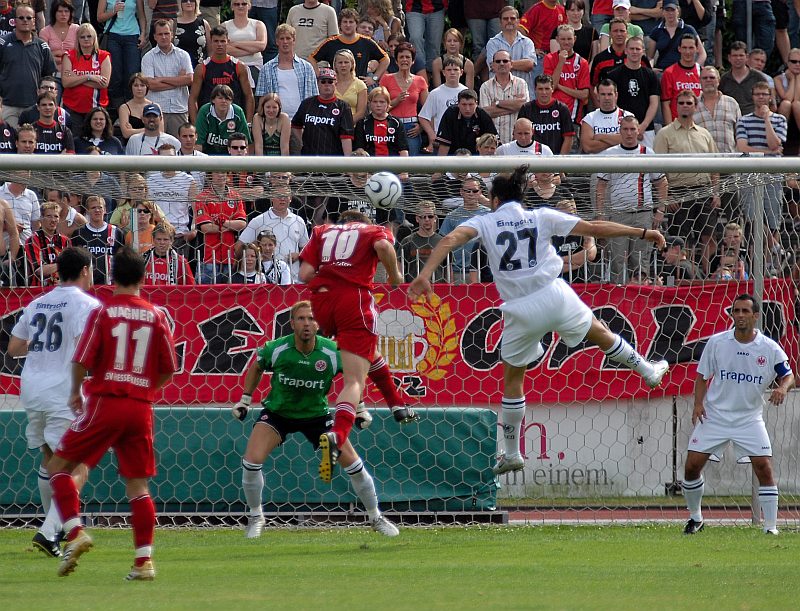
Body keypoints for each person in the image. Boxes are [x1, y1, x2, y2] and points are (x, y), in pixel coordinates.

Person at [408, 166, 670, 476]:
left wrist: (425, 275)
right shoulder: (540, 216)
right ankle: (647, 370)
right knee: (600, 333)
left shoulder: (485, 221)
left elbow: (451, 238)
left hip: (521, 309)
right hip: (555, 294)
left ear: (494, 201)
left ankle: (512, 453)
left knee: (513, 379)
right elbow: (594, 227)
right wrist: (642, 233)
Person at [47, 246, 178, 580]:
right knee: (138, 486)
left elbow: (81, 359)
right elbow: (169, 369)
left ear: (112, 277)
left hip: (106, 401)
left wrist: (75, 392)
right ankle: (143, 562)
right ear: (143, 278)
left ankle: (75, 532)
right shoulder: (156, 315)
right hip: (140, 408)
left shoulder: (103, 313)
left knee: (57, 466)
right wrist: (144, 389)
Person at [232, 300, 399, 538]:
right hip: (279, 414)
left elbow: (353, 378)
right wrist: (245, 399)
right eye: (301, 319)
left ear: (318, 324)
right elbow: (257, 367)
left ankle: (376, 517)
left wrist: (360, 408)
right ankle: (256, 516)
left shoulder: (332, 351)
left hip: (317, 416)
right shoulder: (275, 349)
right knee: (251, 461)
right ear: (292, 323)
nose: (307, 324)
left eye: (311, 319)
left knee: (354, 465)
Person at [298, 210, 417, 482]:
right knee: (354, 381)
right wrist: (395, 276)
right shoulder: (373, 230)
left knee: (365, 352)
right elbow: (384, 247)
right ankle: (337, 436)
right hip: (353, 300)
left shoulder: (322, 231)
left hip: (321, 301)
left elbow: (304, 273)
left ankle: (396, 404)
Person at [8, 247, 99, 558]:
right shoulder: (87, 304)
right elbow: (88, 350)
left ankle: (54, 534)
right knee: (79, 464)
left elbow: (14, 348)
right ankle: (49, 532)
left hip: (32, 389)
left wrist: (44, 344)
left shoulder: (37, 303)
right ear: (85, 270)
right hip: (63, 391)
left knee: (50, 462)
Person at [683, 294, 793, 536]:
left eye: (745, 311)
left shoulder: (769, 348)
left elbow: (788, 375)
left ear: (756, 316)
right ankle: (695, 519)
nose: (740, 315)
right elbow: (702, 376)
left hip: (749, 419)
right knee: (691, 466)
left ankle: (770, 527)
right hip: (715, 416)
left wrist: (783, 388)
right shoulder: (717, 342)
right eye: (736, 311)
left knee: (764, 467)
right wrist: (698, 404)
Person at [596, 115, 668, 284]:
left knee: (640, 260)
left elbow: (662, 182)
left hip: (642, 214)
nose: (629, 133)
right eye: (625, 129)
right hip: (618, 214)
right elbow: (601, 185)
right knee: (617, 260)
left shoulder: (647, 153)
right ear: (620, 131)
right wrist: (600, 214)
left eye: (632, 129)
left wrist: (660, 210)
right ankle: (617, 295)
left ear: (638, 131)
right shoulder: (610, 154)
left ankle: (640, 295)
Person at [254, 23, 318, 156]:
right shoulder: (266, 68)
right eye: (281, 38)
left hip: (300, 124)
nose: (285, 42)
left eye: (288, 38)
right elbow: (262, 99)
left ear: (294, 40)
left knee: (300, 160)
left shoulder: (306, 68)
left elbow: (314, 98)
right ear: (276, 41)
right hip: (275, 124)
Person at [0, 2, 57, 128]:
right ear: (15, 21)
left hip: (34, 106)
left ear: (34, 21)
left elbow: (48, 77)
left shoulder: (42, 47)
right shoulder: (2, 43)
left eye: (28, 18)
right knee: (9, 140)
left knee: (32, 140)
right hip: (8, 105)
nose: (25, 20)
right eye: (21, 18)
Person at [236, 191, 308, 283]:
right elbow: (240, 246)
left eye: (285, 196)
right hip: (265, 280)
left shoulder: (298, 221)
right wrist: (257, 255)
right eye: (278, 196)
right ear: (271, 198)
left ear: (290, 198)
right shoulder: (259, 221)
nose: (282, 199)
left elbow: (307, 248)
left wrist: (298, 255)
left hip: (294, 278)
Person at [189, 24, 254, 123]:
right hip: (209, 120)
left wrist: (248, 123)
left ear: (228, 41)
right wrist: (196, 125)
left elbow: (249, 96)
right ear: (211, 42)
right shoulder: (202, 68)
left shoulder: (239, 66)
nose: (219, 44)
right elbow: (193, 98)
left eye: (222, 41)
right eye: (216, 41)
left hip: (234, 119)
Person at [141, 19, 195, 138]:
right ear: (155, 36)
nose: (164, 37)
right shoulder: (148, 57)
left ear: (172, 34)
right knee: (156, 146)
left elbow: (189, 80)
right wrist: (178, 80)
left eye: (166, 33)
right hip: (157, 111)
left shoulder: (183, 55)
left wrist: (160, 79)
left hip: (179, 109)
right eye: (160, 34)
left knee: (179, 146)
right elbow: (151, 85)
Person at [310, 7, 389, 84]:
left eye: (351, 22)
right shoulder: (330, 43)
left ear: (356, 24)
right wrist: (318, 76)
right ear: (340, 25)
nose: (348, 25)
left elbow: (385, 60)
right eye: (345, 22)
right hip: (336, 87)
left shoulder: (367, 42)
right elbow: (311, 59)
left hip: (359, 87)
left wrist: (374, 78)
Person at [194, 170, 247, 283]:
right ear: (210, 175)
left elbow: (242, 224)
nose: (220, 175)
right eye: (217, 172)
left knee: (230, 292)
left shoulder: (235, 196)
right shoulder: (202, 197)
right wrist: (231, 225)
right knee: (207, 292)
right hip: (208, 257)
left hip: (231, 257)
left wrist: (222, 222)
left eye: (223, 172)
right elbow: (206, 227)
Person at [606, 36, 660, 147]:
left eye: (637, 49)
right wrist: (628, 128)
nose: (634, 52)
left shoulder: (650, 75)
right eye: (631, 49)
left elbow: (654, 103)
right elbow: (612, 103)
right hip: (620, 129)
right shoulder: (613, 75)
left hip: (646, 130)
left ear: (643, 52)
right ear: (626, 51)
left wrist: (642, 127)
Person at [291, 66, 354, 156]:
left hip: (333, 158)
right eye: (323, 81)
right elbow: (295, 125)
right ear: (318, 84)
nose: (326, 84)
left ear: (336, 84)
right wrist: (302, 142)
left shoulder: (343, 107)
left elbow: (346, 137)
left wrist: (347, 161)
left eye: (330, 82)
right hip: (309, 157)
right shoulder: (307, 103)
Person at [97, 0, 147, 110]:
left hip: (132, 35)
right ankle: (117, 107)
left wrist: (143, 33)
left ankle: (131, 106)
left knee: (132, 73)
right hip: (113, 36)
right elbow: (99, 17)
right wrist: (114, 11)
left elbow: (141, 15)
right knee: (115, 75)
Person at [380, 41, 427, 156]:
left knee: (411, 163)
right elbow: (379, 107)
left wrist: (421, 127)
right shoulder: (386, 79)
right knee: (391, 161)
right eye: (401, 57)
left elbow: (427, 109)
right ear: (396, 61)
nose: (404, 60)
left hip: (411, 128)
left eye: (408, 57)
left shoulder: (420, 81)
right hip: (391, 124)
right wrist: (396, 101)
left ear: (413, 61)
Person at [71, 195, 125, 285]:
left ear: (105, 210)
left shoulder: (116, 232)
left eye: (100, 207)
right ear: (87, 211)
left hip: (110, 284)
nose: (97, 210)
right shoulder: (79, 233)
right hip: (87, 285)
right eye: (93, 208)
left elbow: (122, 260)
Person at [543, 24, 590, 124]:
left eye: (569, 39)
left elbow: (584, 94)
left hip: (573, 116)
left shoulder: (582, 62)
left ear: (575, 39)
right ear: (557, 39)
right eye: (563, 39)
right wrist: (561, 62)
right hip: (552, 114)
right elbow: (551, 87)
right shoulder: (549, 58)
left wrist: (560, 87)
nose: (566, 42)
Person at [480, 49, 530, 145]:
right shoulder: (485, 86)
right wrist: (513, 107)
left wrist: (498, 103)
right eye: (498, 61)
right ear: (492, 65)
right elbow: (486, 112)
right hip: (492, 143)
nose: (502, 64)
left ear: (511, 64)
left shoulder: (521, 83)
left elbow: (524, 106)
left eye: (505, 61)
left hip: (515, 141)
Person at [485, 6, 536, 99]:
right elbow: (493, 66)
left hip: (522, 95)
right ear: (500, 22)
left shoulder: (527, 42)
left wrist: (503, 64)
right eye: (505, 18)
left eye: (512, 18)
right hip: (498, 96)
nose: (509, 21)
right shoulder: (492, 43)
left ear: (518, 21)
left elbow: (529, 65)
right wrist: (519, 64)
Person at [418, 55, 466, 154]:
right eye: (449, 70)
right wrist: (432, 135)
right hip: (441, 140)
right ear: (443, 72)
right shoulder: (435, 93)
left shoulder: (466, 92)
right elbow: (423, 117)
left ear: (461, 72)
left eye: (455, 69)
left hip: (462, 138)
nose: (452, 72)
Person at [517, 74, 575, 155]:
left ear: (552, 89)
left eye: (547, 89)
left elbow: (568, 137)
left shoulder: (562, 109)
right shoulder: (526, 109)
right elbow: (519, 135)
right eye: (540, 89)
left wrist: (561, 160)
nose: (544, 92)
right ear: (535, 89)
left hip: (556, 157)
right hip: (532, 158)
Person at [436, 88, 497, 156]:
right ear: (458, 104)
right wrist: (441, 162)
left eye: (471, 104)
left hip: (476, 157)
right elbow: (444, 144)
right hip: (453, 156)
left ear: (476, 104)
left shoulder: (483, 115)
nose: (467, 109)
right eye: (464, 104)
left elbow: (493, 142)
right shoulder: (450, 114)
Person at [397, 201, 447, 282]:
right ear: (417, 218)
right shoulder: (407, 241)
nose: (427, 220)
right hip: (413, 287)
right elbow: (399, 266)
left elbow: (448, 268)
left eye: (430, 216)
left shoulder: (443, 242)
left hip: (437, 287)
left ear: (435, 218)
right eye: (423, 217)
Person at [195, 83, 252, 154]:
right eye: (220, 98)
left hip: (232, 156)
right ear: (213, 100)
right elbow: (198, 143)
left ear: (231, 101)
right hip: (208, 156)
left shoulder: (238, 112)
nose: (224, 101)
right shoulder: (205, 111)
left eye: (227, 99)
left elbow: (245, 143)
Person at [24, 201, 71, 286]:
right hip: (39, 288)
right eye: (49, 216)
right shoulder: (32, 241)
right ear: (41, 218)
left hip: (61, 286)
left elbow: (71, 268)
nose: (53, 220)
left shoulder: (65, 241)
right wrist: (63, 265)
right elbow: (39, 271)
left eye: (56, 216)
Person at [354, 86, 409, 157]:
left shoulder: (396, 123)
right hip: (370, 163)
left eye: (382, 102)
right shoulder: (363, 123)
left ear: (388, 104)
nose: (378, 105)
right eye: (375, 102)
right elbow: (359, 149)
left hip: (392, 162)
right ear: (369, 103)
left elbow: (403, 149)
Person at [39, 0, 79, 94]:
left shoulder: (77, 29)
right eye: (60, 11)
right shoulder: (45, 31)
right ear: (54, 13)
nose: (63, 14)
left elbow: (80, 54)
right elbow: (44, 57)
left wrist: (56, 55)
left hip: (74, 75)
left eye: (66, 11)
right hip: (53, 75)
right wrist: (66, 57)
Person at [222, 0, 267, 84]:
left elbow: (261, 45)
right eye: (237, 4)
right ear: (232, 7)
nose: (240, 6)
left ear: (249, 6)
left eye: (244, 4)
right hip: (231, 67)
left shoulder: (259, 24)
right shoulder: (224, 26)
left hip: (254, 66)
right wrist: (252, 50)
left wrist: (236, 44)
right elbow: (225, 48)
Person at [719, 41, 768, 116]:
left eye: (741, 55)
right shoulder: (724, 79)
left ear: (747, 57)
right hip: (730, 116)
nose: (738, 58)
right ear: (729, 58)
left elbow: (767, 100)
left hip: (754, 117)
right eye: (735, 55)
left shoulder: (758, 77)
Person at [332, 48, 367, 123]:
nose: (343, 65)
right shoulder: (330, 84)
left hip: (352, 126)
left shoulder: (360, 85)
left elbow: (361, 113)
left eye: (346, 62)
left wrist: (345, 124)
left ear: (352, 64)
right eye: (340, 62)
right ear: (335, 65)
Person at [118, 73, 155, 143]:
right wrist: (149, 130)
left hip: (151, 144)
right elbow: (126, 134)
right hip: (131, 144)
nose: (139, 88)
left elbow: (160, 131)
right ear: (131, 87)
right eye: (136, 85)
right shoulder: (124, 108)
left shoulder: (155, 106)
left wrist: (133, 131)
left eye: (142, 85)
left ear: (147, 87)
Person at [175, 0, 210, 68]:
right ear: (180, 3)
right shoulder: (173, 24)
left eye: (192, 0)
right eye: (184, 0)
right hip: (178, 68)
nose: (188, 2)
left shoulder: (204, 23)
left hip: (200, 68)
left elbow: (210, 50)